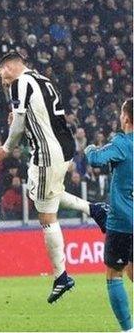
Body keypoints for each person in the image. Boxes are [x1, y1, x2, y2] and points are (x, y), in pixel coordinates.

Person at [0, 51, 110, 304]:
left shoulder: (20, 82)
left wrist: (6, 148)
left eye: (2, 74)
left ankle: (61, 275)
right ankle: (95, 209)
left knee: (46, 215)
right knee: (45, 194)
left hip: (46, 153)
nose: (2, 80)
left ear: (10, 66)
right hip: (63, 149)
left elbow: (20, 124)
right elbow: (43, 116)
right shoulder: (42, 79)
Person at [85, 99, 133, 331]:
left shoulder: (122, 143)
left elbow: (96, 159)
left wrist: (90, 149)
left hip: (123, 222)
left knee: (114, 275)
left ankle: (128, 329)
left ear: (125, 118)